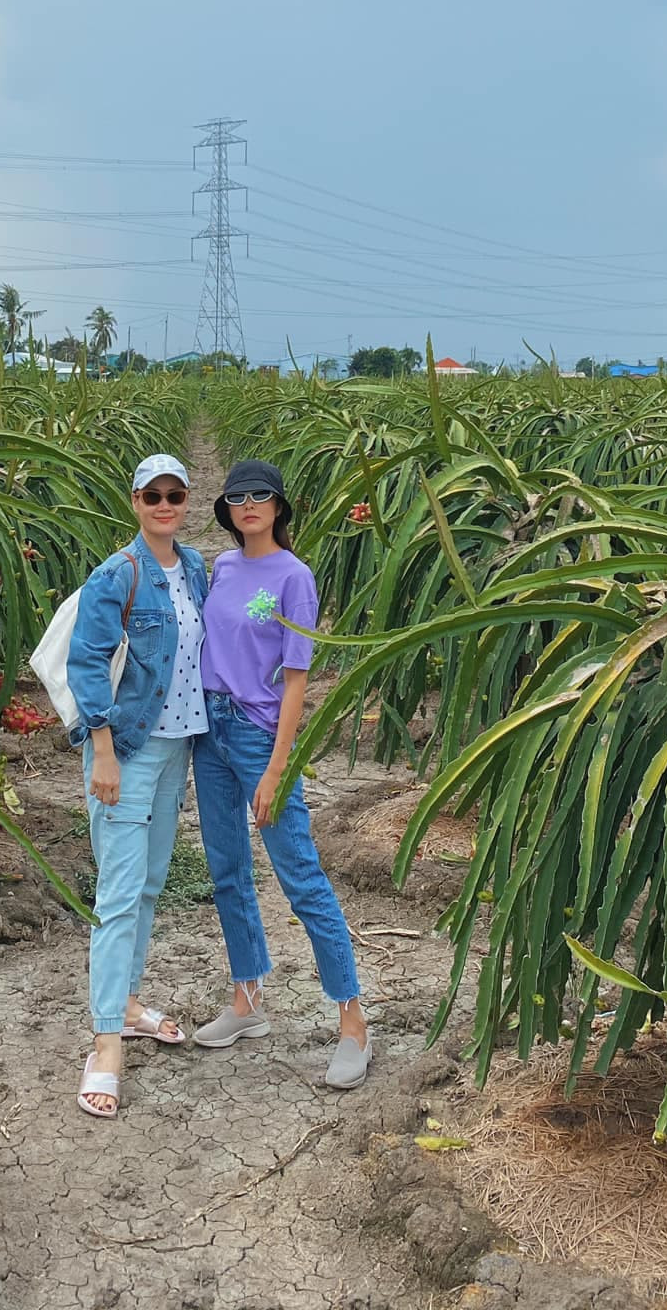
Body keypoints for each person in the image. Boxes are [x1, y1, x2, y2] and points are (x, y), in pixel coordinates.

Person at [192, 459, 370, 1088]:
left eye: (259, 496)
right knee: (227, 873)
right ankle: (247, 1002)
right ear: (228, 510)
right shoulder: (223, 567)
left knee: (299, 874)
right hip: (207, 732)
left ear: (278, 507)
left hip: (258, 734)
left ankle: (353, 1023)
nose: (248, 506)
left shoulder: (295, 577)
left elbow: (297, 681)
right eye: (237, 498)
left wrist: (277, 767)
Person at [66, 453, 210, 1118]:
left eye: (174, 495)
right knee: (118, 895)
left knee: (148, 884)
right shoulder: (116, 575)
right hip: (127, 750)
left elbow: (231, 625)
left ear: (186, 502)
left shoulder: (198, 570)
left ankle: (123, 1005)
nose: (163, 504)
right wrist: (102, 753)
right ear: (134, 501)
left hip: (178, 749)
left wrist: (284, 599)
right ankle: (104, 1045)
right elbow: (87, 663)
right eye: (152, 495)